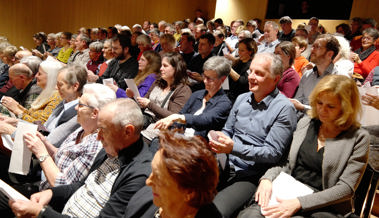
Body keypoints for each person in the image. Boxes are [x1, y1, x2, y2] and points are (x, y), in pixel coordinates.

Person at [238, 75, 369, 218]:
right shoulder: (305, 123)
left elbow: (345, 188)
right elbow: (285, 163)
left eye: (330, 106)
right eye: (319, 103)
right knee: (250, 215)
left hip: (323, 206)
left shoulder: (358, 137)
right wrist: (267, 179)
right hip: (287, 190)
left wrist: (299, 202)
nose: (322, 110)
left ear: (346, 108)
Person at [9, 99, 152, 218]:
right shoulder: (111, 148)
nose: (98, 136)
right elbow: (83, 185)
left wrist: (42, 213)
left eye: (103, 130)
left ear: (128, 131)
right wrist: (52, 193)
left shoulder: (139, 175)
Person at [208, 53, 297, 217]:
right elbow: (228, 130)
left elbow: (273, 153)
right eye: (250, 71)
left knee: (214, 211)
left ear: (276, 79)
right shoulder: (242, 99)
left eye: (259, 73)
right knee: (187, 190)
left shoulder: (284, 109)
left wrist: (233, 148)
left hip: (251, 174)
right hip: (224, 163)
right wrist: (219, 138)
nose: (251, 77)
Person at [135, 130, 220, 218]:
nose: (148, 182)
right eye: (152, 172)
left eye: (159, 178)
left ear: (189, 192)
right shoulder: (142, 198)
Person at [155, 56, 232, 139]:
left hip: (199, 146)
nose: (205, 81)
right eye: (204, 76)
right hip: (181, 140)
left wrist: (178, 118)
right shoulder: (197, 95)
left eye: (209, 79)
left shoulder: (224, 103)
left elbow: (204, 120)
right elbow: (181, 116)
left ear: (222, 80)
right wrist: (171, 126)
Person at [137, 52, 191, 128]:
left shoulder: (183, 90)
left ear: (176, 68)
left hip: (161, 125)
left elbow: (173, 117)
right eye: (161, 65)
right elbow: (145, 100)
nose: (161, 68)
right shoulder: (158, 81)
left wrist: (149, 104)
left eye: (165, 66)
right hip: (145, 117)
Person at [0, 59, 62, 124]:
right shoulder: (46, 91)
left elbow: (42, 125)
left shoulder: (57, 97)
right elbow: (32, 114)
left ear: (50, 76)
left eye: (39, 74)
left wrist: (17, 110)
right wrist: (17, 105)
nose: (36, 76)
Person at [292, 34, 341, 114]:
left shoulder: (339, 78)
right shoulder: (307, 74)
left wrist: (303, 107)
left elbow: (334, 111)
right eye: (312, 46)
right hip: (301, 118)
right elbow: (298, 101)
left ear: (330, 54)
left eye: (317, 47)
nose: (312, 50)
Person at [227, 38, 257, 103]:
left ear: (250, 51)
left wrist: (228, 68)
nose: (239, 52)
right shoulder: (238, 62)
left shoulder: (252, 65)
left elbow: (243, 81)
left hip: (239, 99)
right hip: (228, 94)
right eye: (239, 50)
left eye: (242, 50)